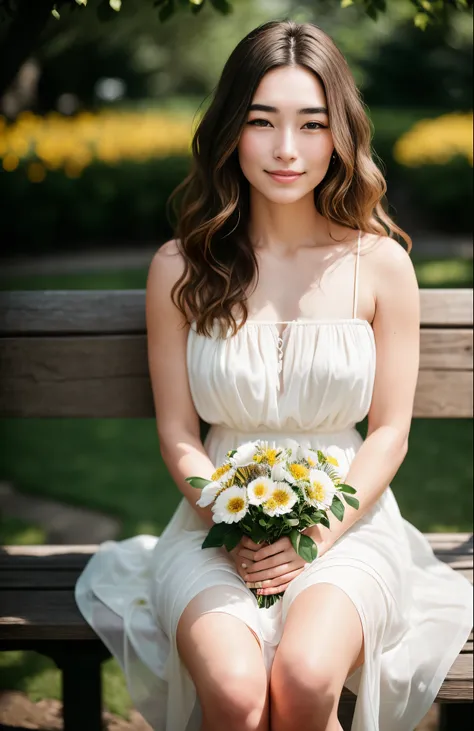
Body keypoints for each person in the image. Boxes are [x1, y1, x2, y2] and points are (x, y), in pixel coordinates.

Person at [75, 19, 473, 731]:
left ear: (339, 136)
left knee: (306, 674)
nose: (287, 150)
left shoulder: (380, 264)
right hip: (213, 525)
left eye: (311, 124)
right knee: (234, 691)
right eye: (262, 122)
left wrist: (311, 540)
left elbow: (389, 432)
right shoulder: (180, 268)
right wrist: (230, 525)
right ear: (231, 129)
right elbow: (178, 434)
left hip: (348, 525)